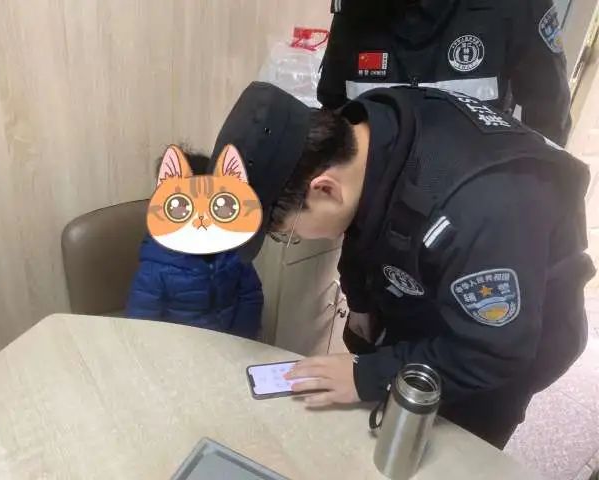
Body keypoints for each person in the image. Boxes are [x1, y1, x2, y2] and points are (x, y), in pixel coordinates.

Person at [209, 81, 595, 448]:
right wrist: (360, 300)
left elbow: (493, 353)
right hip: (431, 290)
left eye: (286, 233)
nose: (296, 238)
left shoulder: (482, 210)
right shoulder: (367, 133)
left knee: (447, 450)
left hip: (508, 337)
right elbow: (365, 219)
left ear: (324, 188)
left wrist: (368, 375)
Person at [318, 0, 572, 145]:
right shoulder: (354, 9)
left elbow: (549, 115)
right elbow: (334, 106)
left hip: (470, 198)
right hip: (374, 198)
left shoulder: (516, 6)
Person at [125, 149, 264, 340]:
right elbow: (143, 318)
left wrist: (242, 339)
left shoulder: (235, 252)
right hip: (179, 345)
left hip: (228, 342)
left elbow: (250, 295)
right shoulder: (156, 266)